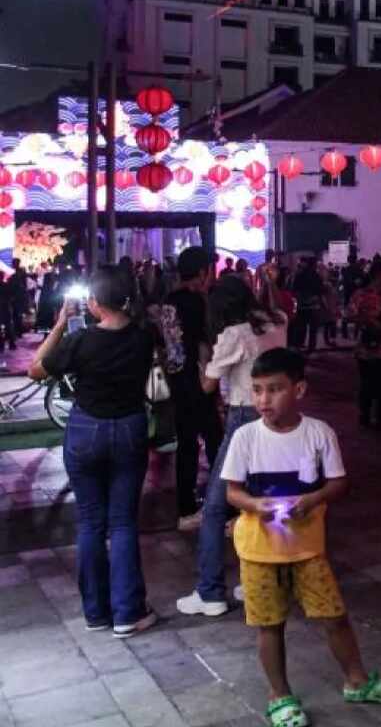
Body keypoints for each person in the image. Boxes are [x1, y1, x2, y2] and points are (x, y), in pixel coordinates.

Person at [221, 349, 381, 725]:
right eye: (257, 390)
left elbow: (338, 483)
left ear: (299, 389)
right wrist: (255, 506)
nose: (263, 400)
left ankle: (357, 680)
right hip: (259, 551)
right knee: (269, 625)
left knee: (334, 616)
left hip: (308, 549)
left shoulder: (318, 433)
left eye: (274, 390)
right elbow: (232, 491)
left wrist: (313, 498)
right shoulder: (245, 437)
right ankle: (280, 695)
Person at [29, 266, 158, 637]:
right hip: (130, 427)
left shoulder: (80, 341)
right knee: (122, 522)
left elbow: (35, 370)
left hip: (86, 430)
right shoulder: (143, 336)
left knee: (90, 522)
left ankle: (96, 613)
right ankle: (127, 613)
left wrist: (59, 324)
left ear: (94, 303)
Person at [176, 275, 288, 618]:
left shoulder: (233, 334)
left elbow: (209, 386)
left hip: (243, 418)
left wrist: (202, 358)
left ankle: (209, 591)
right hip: (277, 417)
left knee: (214, 507)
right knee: (259, 502)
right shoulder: (278, 321)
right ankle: (262, 580)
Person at [162, 246, 224, 531]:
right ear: (202, 272)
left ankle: (185, 509)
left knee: (186, 445)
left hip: (176, 380)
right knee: (215, 443)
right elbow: (207, 344)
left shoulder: (168, 301)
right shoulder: (201, 302)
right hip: (200, 382)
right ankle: (222, 503)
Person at [347, 261, 381, 428]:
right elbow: (349, 315)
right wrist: (369, 321)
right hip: (368, 349)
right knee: (368, 385)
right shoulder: (361, 295)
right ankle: (366, 416)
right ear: (378, 275)